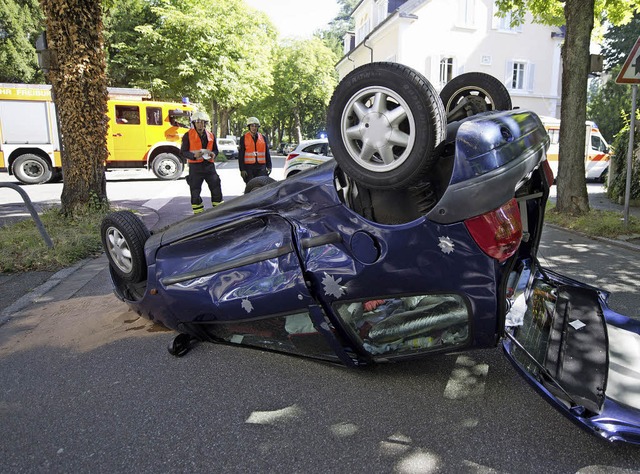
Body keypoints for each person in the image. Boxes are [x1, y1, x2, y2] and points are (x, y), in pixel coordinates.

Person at [181, 111, 223, 214]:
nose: (200, 124)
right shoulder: (187, 135)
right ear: (194, 123)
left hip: (209, 166)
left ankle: (219, 212)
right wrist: (194, 156)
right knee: (195, 192)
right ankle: (198, 214)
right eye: (198, 122)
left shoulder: (211, 135)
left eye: (202, 122)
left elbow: (216, 150)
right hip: (195, 167)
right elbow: (183, 152)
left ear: (206, 123)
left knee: (216, 188)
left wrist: (213, 154)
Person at [238, 116, 272, 183]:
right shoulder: (243, 138)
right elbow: (241, 155)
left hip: (261, 167)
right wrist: (242, 169)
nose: (254, 128)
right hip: (249, 168)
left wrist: (269, 166)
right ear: (249, 127)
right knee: (251, 186)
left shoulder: (263, 138)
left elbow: (267, 153)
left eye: (256, 126)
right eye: (252, 126)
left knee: (262, 185)